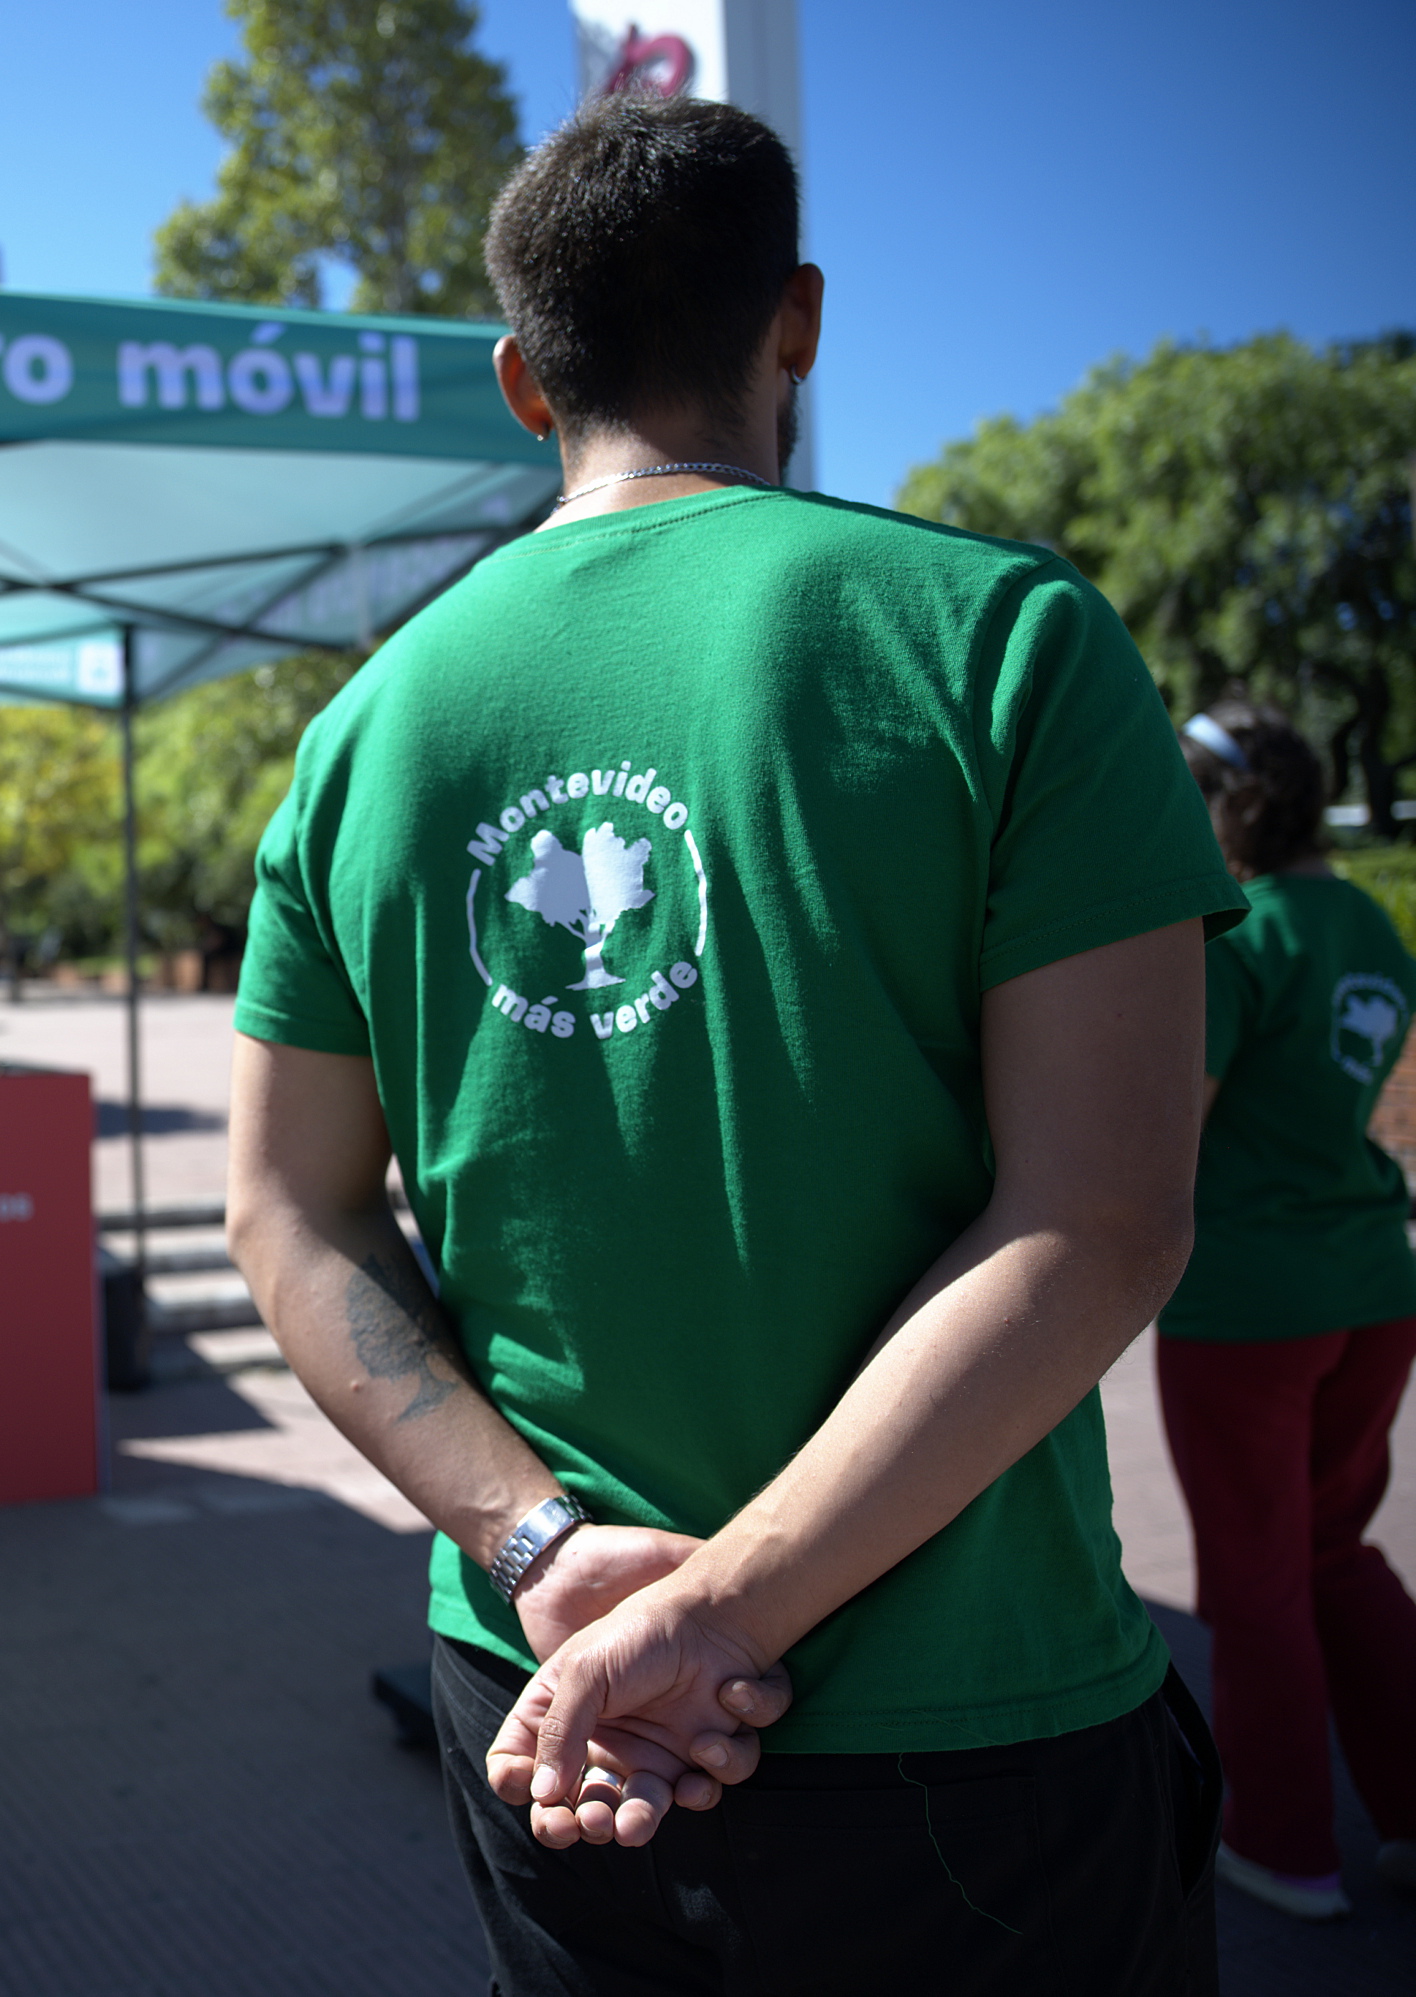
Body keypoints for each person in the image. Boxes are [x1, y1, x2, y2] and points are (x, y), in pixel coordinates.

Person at [225, 91, 1244, 1993]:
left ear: (524, 381)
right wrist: (719, 1613)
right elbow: (1106, 1215)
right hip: (960, 1717)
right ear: (800, 321)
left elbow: (287, 1214)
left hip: (546, 1699)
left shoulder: (365, 731)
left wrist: (543, 1552)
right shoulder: (1001, 641)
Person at [1157, 700, 1416, 1921]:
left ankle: (1283, 1844)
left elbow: (1167, 1131)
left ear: (1235, 802)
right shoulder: (1366, 921)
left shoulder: (1236, 934)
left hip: (1250, 1305)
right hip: (1372, 1284)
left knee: (1255, 1577)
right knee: (1335, 1551)